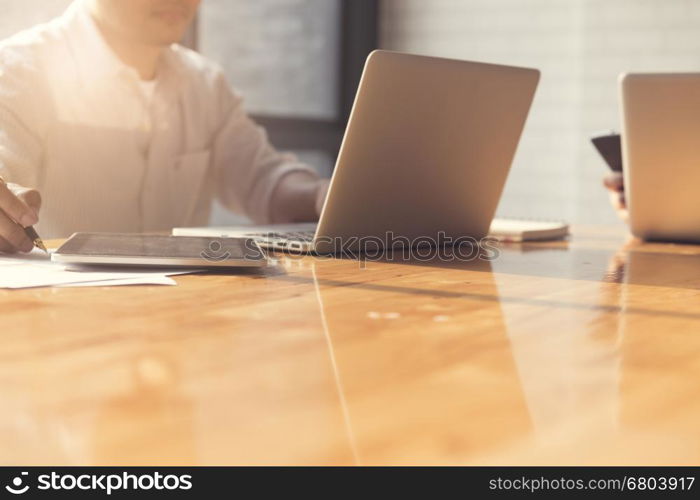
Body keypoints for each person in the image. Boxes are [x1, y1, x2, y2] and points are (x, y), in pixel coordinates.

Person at [0, 0, 328, 253]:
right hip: (59, 319)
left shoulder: (206, 85)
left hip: (184, 317)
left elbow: (262, 179)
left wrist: (321, 195)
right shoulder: (19, 70)